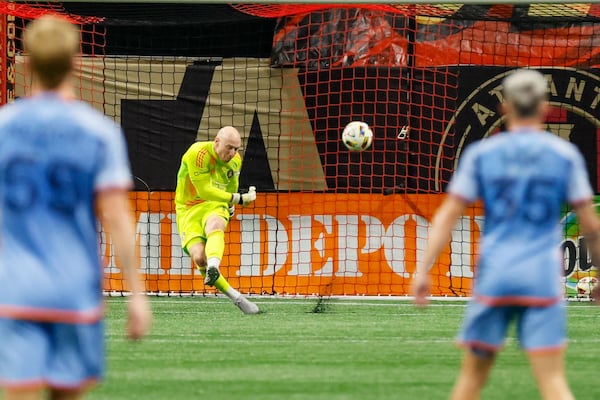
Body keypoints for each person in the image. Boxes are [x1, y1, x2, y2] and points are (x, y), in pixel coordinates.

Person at [412, 68, 600, 400]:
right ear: (543, 107)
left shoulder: (482, 155)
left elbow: (447, 216)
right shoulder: (564, 156)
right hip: (541, 277)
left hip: (496, 276)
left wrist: (423, 269)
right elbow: (590, 225)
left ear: (505, 107)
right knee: (553, 383)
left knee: (470, 382)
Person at [0, 15, 152, 400]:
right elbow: (117, 218)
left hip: (16, 287)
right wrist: (136, 293)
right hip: (74, 289)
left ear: (28, 63)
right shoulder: (99, 132)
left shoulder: (4, 127)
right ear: (76, 62)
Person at [175, 126, 260, 314]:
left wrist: (231, 207)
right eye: (229, 147)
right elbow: (204, 190)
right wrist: (237, 198)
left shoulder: (235, 161)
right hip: (188, 208)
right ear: (216, 142)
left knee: (215, 225)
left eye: (237, 149)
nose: (233, 153)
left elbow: (232, 184)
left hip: (215, 204)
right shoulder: (197, 153)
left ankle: (214, 266)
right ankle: (236, 297)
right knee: (199, 257)